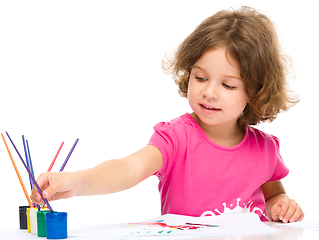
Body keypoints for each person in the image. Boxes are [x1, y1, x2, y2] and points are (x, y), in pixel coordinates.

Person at [31, 6, 304, 223]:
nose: (209, 92)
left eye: (228, 85)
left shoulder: (265, 149)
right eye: (200, 77)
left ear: (256, 92)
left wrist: (280, 205)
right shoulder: (176, 138)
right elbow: (129, 168)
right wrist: (77, 181)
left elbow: (274, 195)